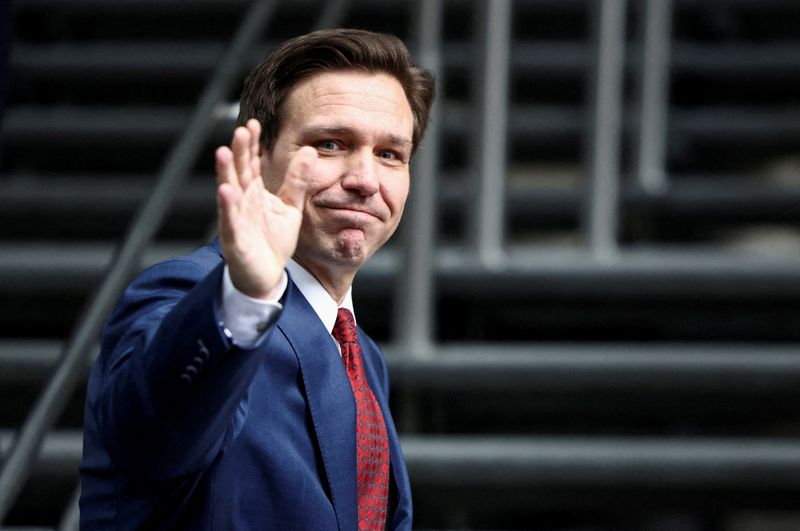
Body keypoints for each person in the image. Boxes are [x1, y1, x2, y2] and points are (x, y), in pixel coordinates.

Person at [79, 28, 435, 530]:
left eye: (390, 154)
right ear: (259, 155)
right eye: (330, 144)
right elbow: (153, 436)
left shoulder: (361, 354)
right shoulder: (192, 295)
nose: (365, 179)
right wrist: (245, 297)